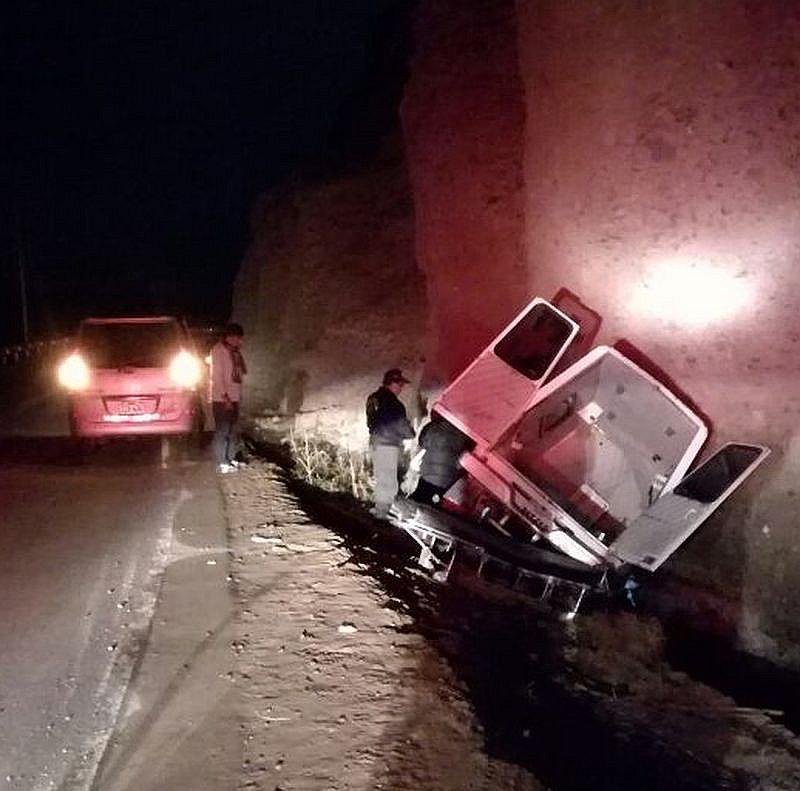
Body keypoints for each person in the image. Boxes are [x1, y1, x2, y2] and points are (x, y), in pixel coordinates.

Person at [366, 368, 415, 518]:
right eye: (400, 385)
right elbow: (402, 427)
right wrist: (411, 433)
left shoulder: (373, 398)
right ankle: (382, 513)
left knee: (381, 477)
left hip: (375, 442)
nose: (401, 388)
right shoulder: (395, 404)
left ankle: (379, 509)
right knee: (388, 481)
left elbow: (370, 422)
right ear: (392, 383)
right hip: (388, 445)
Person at [411, 412, 470, 505]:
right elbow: (468, 452)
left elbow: (421, 441)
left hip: (430, 474)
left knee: (419, 496)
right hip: (445, 478)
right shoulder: (463, 433)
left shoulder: (434, 427)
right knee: (429, 501)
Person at [211, 322, 247, 473]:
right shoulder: (218, 350)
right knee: (223, 431)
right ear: (229, 337)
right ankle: (222, 462)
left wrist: (236, 397)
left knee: (232, 431)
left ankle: (230, 458)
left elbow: (238, 375)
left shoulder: (235, 352)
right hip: (222, 399)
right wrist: (225, 398)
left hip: (234, 397)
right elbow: (217, 377)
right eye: (238, 338)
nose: (240, 341)